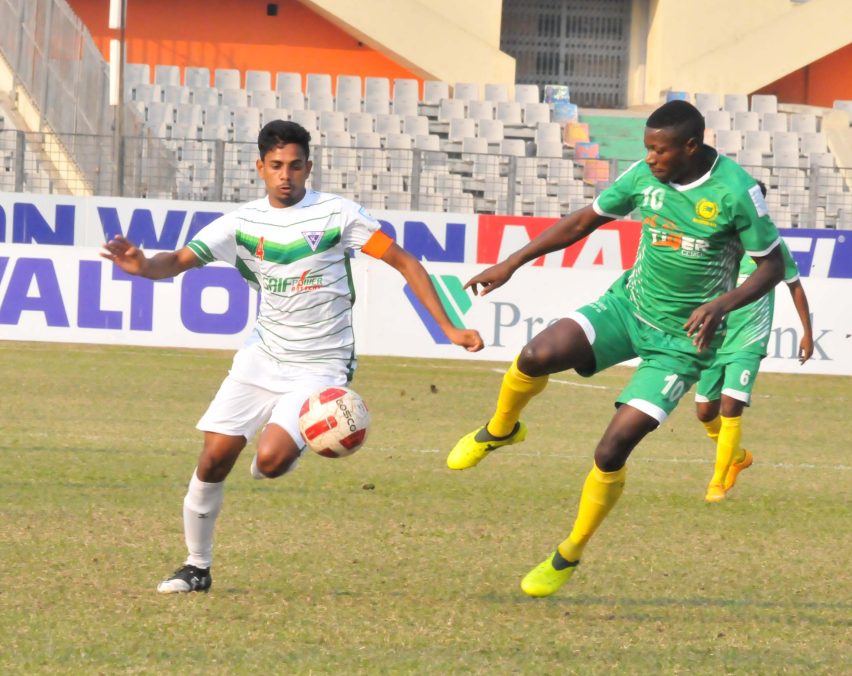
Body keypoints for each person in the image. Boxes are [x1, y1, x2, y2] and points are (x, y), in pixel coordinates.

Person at [102, 120, 484, 594]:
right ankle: (196, 567)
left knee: (270, 463)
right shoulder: (240, 224)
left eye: (296, 166)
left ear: (309, 167)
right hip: (261, 358)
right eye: (277, 166)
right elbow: (177, 262)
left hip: (321, 368)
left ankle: (287, 448)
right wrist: (142, 268)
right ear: (260, 167)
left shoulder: (338, 216)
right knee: (214, 460)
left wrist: (448, 328)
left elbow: (404, 261)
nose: (287, 175)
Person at [446, 100, 785, 598]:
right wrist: (512, 262)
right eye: (646, 148)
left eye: (659, 150)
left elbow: (772, 267)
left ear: (690, 146)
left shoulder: (736, 192)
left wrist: (722, 304)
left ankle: (569, 553)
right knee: (536, 355)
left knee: (611, 449)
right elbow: (584, 221)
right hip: (627, 308)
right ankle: (501, 429)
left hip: (681, 346)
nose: (649, 158)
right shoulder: (644, 178)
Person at [696, 181, 813, 503]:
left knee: (731, 407)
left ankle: (717, 483)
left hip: (748, 339)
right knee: (705, 412)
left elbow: (795, 286)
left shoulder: (772, 247)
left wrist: (807, 331)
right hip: (715, 338)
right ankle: (738, 457)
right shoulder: (718, 242)